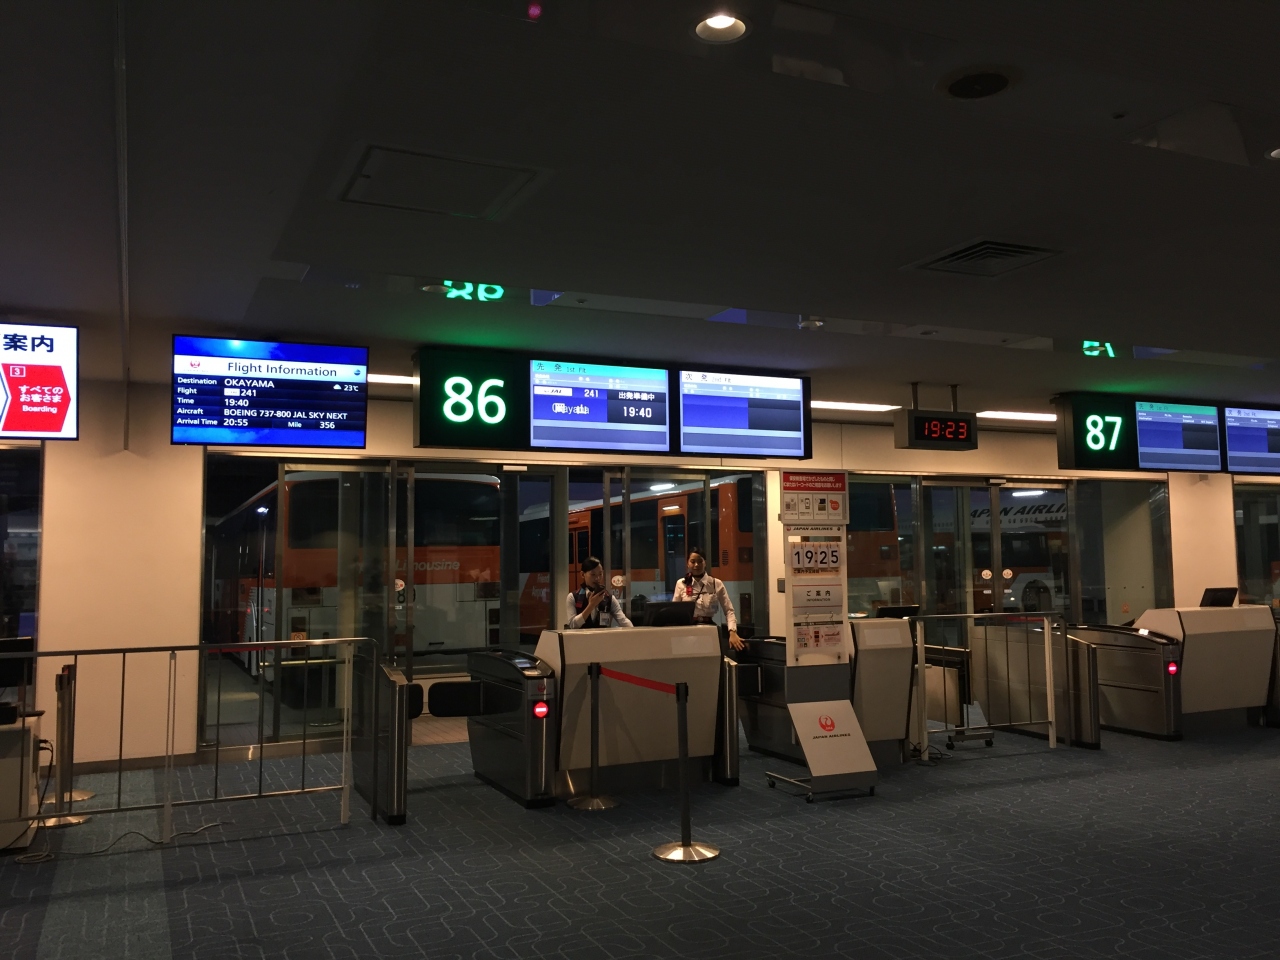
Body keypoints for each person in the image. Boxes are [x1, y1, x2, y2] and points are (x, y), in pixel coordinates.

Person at [671, 548, 742, 650]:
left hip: (709, 631)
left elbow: (729, 610)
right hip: (687, 631)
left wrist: (732, 632)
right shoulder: (681, 584)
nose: (696, 565)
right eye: (693, 561)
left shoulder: (715, 584)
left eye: (700, 561)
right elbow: (674, 612)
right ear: (687, 564)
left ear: (705, 563)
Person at [565, 556, 633, 629]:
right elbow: (573, 625)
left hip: (603, 636)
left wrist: (635, 631)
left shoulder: (609, 598)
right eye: (593, 574)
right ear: (582, 574)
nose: (597, 578)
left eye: (600, 574)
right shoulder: (573, 597)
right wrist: (591, 605)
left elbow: (623, 620)